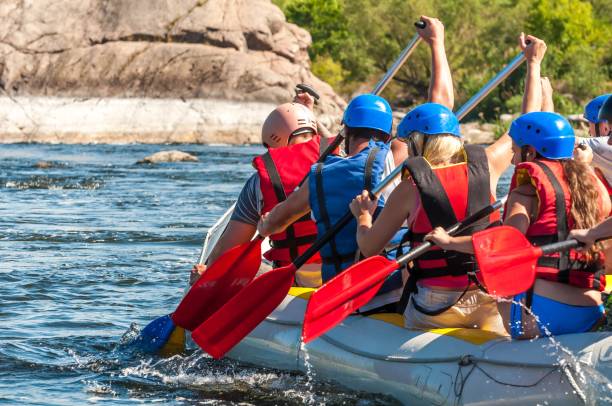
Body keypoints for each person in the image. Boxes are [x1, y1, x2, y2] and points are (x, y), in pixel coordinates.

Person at [349, 33, 547, 334]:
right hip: (487, 296)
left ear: (417, 143)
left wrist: (363, 216)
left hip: (434, 306)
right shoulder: (490, 164)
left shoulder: (409, 187)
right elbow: (527, 123)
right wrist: (533, 64)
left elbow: (370, 246)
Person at [257, 16, 455, 312]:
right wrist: (437, 43)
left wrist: (264, 222)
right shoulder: (395, 157)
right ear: (389, 134)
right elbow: (439, 109)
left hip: (340, 290)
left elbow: (274, 223)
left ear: (345, 132)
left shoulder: (318, 176)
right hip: (389, 287)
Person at [427, 112, 611, 338]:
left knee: (499, 273)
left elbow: (502, 244)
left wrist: (449, 241)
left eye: (514, 152)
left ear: (530, 152)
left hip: (542, 312)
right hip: (591, 310)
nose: (513, 161)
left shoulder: (526, 191)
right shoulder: (595, 186)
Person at [194, 87, 333, 287]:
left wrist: (206, 273)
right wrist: (309, 116)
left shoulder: (258, 183)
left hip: (292, 279)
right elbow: (335, 145)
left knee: (241, 266)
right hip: (339, 272)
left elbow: (229, 248)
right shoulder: (343, 163)